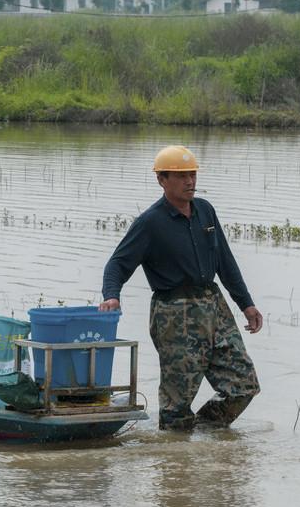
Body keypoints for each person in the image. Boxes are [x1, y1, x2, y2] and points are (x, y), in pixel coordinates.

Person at [100, 145, 262, 431]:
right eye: (181, 176)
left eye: (192, 174)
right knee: (177, 404)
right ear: (162, 180)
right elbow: (117, 265)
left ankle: (201, 437)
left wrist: (246, 304)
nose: (190, 181)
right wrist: (111, 296)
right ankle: (176, 462)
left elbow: (225, 261)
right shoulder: (150, 223)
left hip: (214, 307)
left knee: (244, 386)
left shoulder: (205, 211)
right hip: (175, 313)